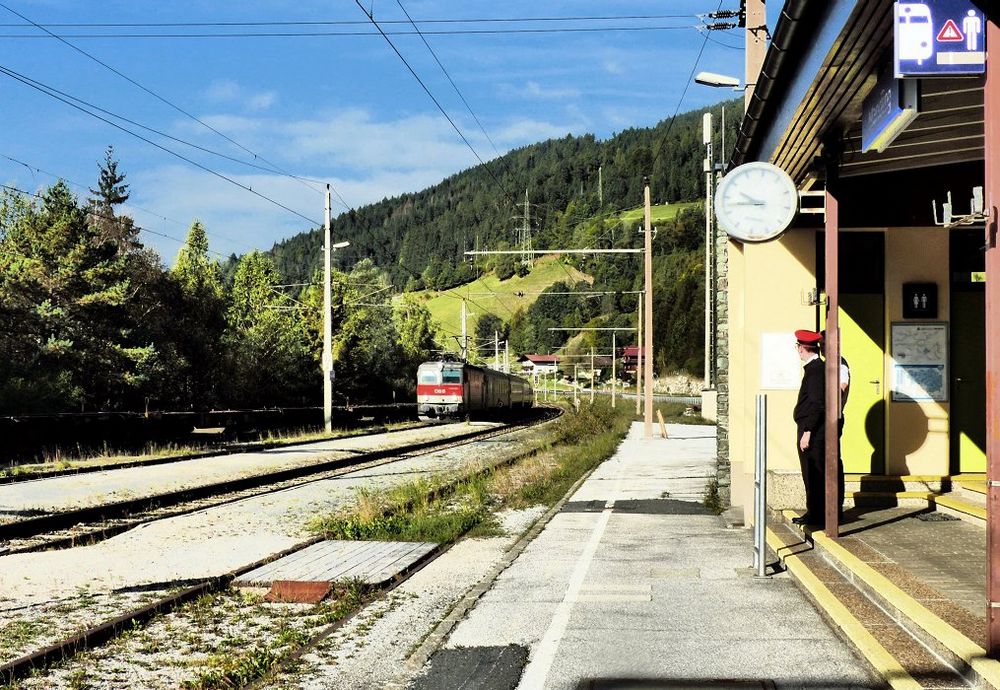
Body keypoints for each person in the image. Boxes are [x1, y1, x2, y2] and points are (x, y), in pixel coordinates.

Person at [792, 330, 826, 527]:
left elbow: (816, 404)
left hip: (811, 431)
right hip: (810, 428)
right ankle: (813, 512)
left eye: (797, 347)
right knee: (811, 473)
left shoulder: (814, 371)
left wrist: (808, 431)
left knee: (812, 473)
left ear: (802, 348)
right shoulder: (815, 369)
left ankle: (816, 515)